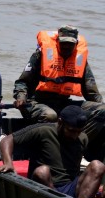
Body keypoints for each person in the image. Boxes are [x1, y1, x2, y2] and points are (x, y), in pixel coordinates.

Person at [13, 25, 105, 162]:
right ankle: (52, 151)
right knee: (50, 115)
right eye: (64, 43)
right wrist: (20, 96)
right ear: (57, 42)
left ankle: (75, 145)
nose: (67, 47)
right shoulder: (41, 55)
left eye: (70, 44)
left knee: (102, 111)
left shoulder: (80, 60)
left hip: (63, 103)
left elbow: (91, 91)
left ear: (76, 44)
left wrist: (100, 108)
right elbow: (22, 82)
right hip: (36, 102)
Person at [0, 105, 105, 198]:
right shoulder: (43, 130)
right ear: (60, 122)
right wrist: (8, 163)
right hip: (44, 184)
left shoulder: (83, 138)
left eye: (78, 132)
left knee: (98, 166)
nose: (75, 135)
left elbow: (93, 163)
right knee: (42, 171)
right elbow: (7, 140)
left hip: (70, 186)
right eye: (71, 131)